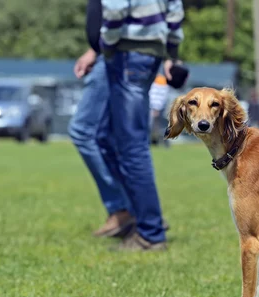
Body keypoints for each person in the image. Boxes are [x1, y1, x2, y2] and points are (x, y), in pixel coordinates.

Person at [99, 0, 184, 251]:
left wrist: (107, 42)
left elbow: (114, 8)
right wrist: (172, 51)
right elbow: (175, 9)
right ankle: (143, 220)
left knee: (133, 147)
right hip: (151, 54)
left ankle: (151, 233)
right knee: (110, 137)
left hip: (128, 53)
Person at [67, 0, 134, 238]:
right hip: (107, 54)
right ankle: (133, 209)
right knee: (105, 138)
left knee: (82, 131)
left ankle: (123, 208)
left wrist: (103, 48)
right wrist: (93, 50)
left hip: (114, 56)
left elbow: (119, 12)